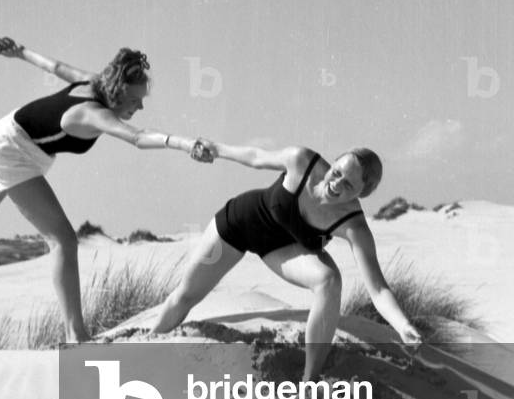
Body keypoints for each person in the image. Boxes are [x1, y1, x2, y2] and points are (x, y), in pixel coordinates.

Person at [0, 37, 213, 343]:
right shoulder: (92, 112)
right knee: (63, 240)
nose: (140, 106)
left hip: (8, 134)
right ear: (117, 93)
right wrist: (186, 144)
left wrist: (21, 53)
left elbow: (57, 67)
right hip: (13, 149)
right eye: (135, 100)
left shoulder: (94, 83)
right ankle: (75, 335)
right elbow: (139, 137)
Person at [151, 140, 422, 379]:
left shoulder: (353, 225)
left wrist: (401, 325)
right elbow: (255, 157)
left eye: (348, 184)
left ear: (363, 193)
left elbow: (377, 288)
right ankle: (146, 347)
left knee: (328, 281)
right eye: (336, 172)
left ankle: (309, 379)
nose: (336, 183)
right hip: (236, 225)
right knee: (185, 296)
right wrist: (217, 149)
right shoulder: (302, 160)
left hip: (279, 249)